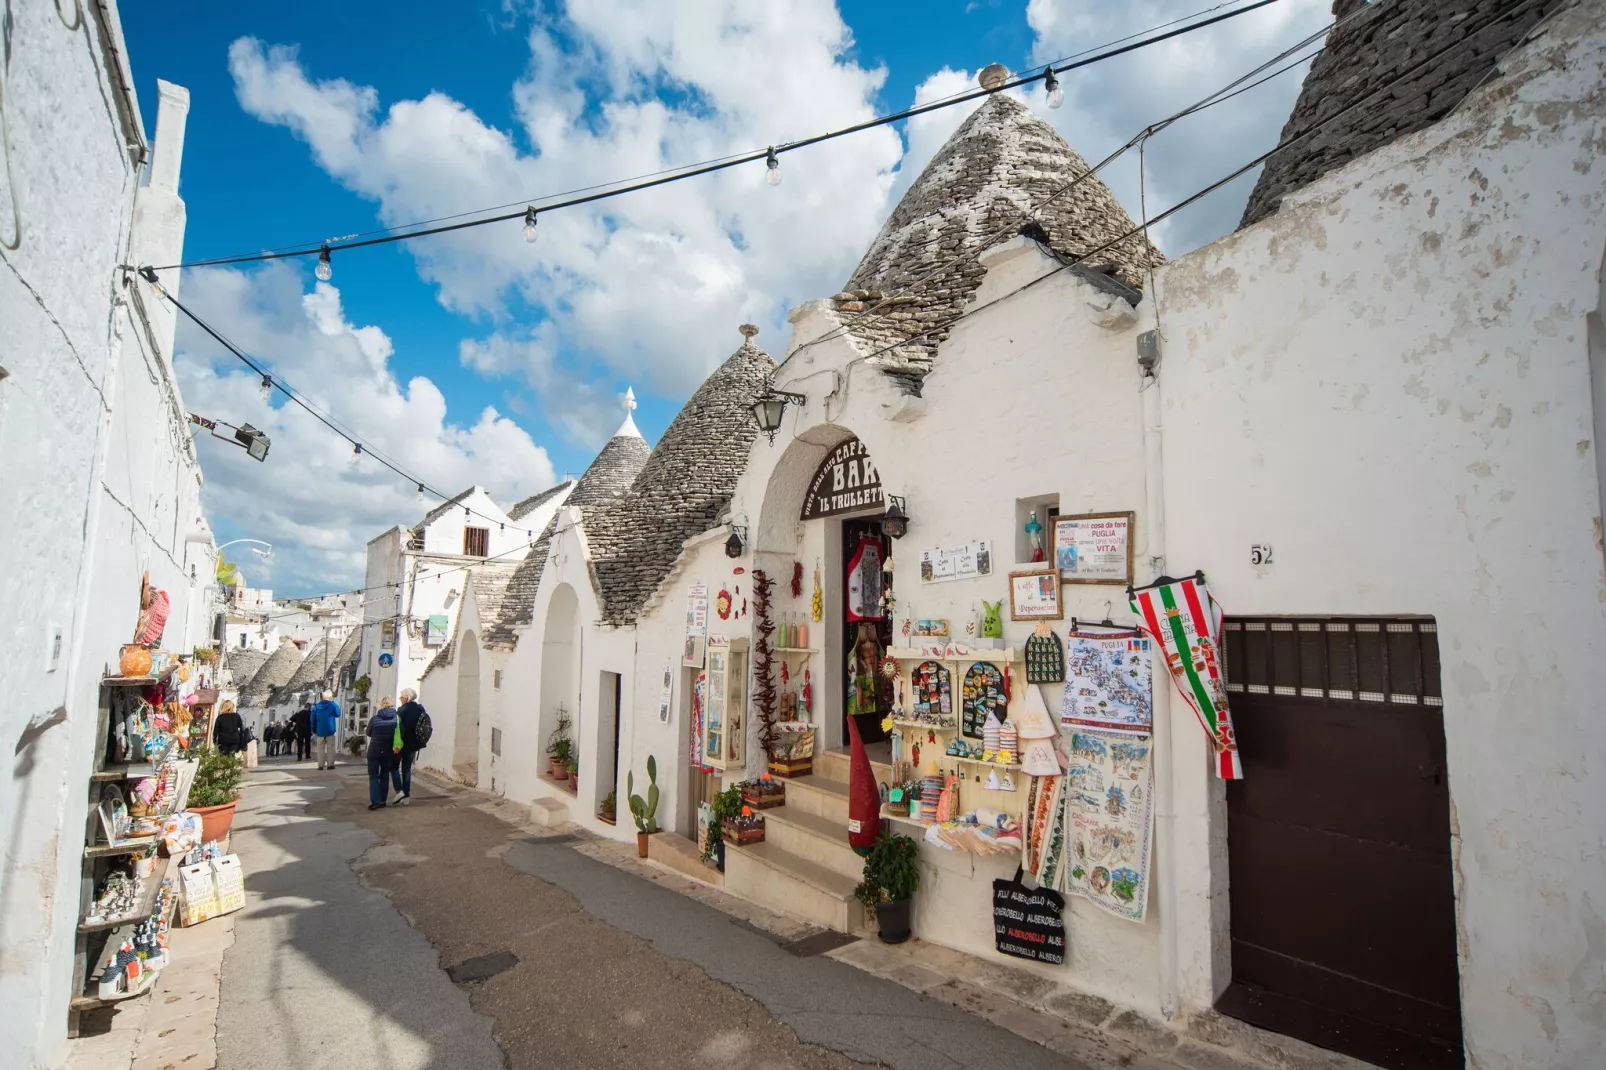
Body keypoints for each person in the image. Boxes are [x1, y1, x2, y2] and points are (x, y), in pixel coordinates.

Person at [365, 698, 402, 810]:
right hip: (388, 751)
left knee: (373, 776)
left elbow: (368, 732)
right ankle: (382, 800)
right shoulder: (396, 719)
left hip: (374, 751)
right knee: (385, 775)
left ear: (381, 705)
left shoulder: (375, 719)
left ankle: (375, 801)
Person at [395, 688, 428, 805]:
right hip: (414, 744)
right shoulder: (420, 709)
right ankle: (407, 795)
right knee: (406, 769)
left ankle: (400, 791)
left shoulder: (402, 710)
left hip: (402, 743)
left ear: (406, 698)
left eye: (401, 697)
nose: (400, 699)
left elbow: (398, 728)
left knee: (394, 768)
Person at [310, 690, 341, 770]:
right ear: (330, 697)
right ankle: (330, 764)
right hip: (330, 730)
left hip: (320, 731)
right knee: (331, 748)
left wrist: (313, 729)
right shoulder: (333, 705)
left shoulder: (316, 707)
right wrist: (333, 703)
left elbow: (312, 719)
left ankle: (320, 765)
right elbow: (338, 714)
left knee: (320, 748)